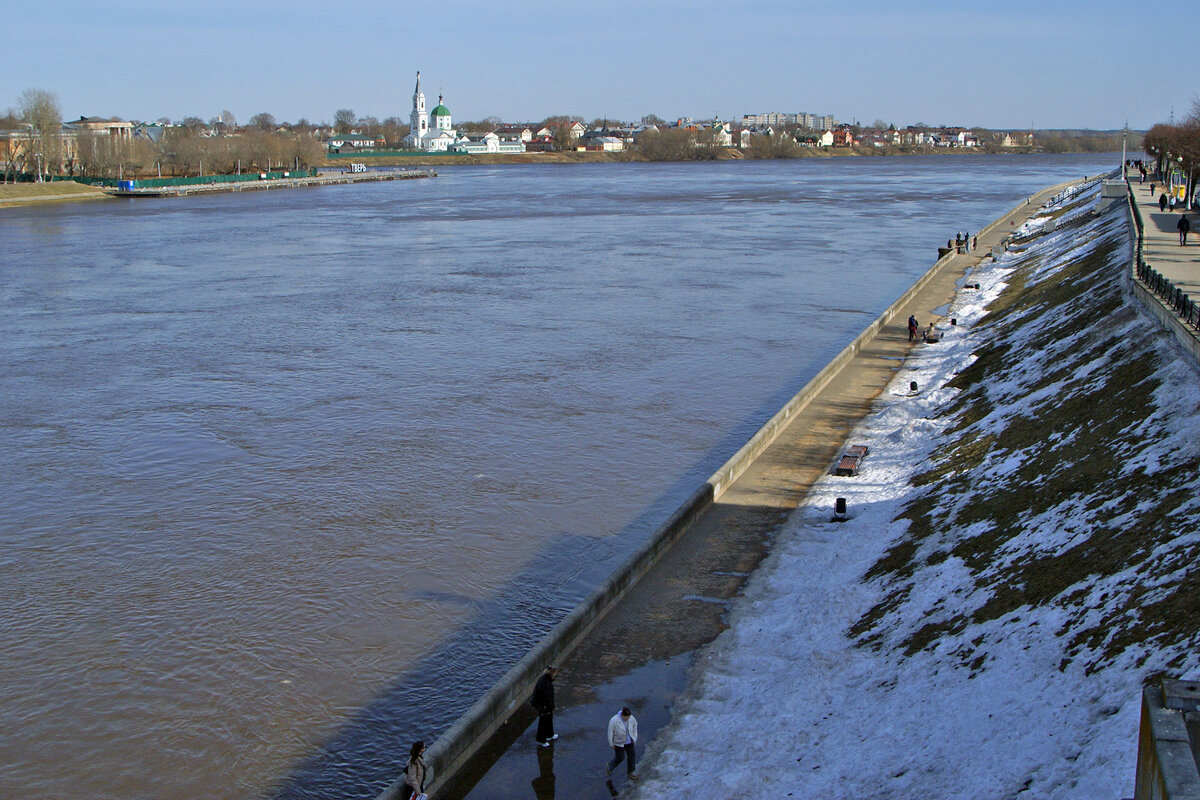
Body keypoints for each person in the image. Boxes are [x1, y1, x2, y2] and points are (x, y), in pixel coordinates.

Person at [606, 706, 638, 780]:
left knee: (632, 757)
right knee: (620, 758)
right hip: (619, 742)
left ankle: (630, 772)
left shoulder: (631, 718)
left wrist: (634, 737)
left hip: (629, 741)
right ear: (622, 715)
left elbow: (635, 727)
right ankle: (610, 767)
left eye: (628, 717)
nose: (627, 719)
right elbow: (610, 732)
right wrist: (611, 743)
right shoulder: (614, 720)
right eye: (626, 717)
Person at [531, 665, 560, 747]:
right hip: (543, 706)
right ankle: (541, 740)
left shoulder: (545, 680)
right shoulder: (545, 683)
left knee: (548, 719)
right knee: (543, 722)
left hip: (545, 705)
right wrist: (544, 707)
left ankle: (549, 735)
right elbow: (544, 696)